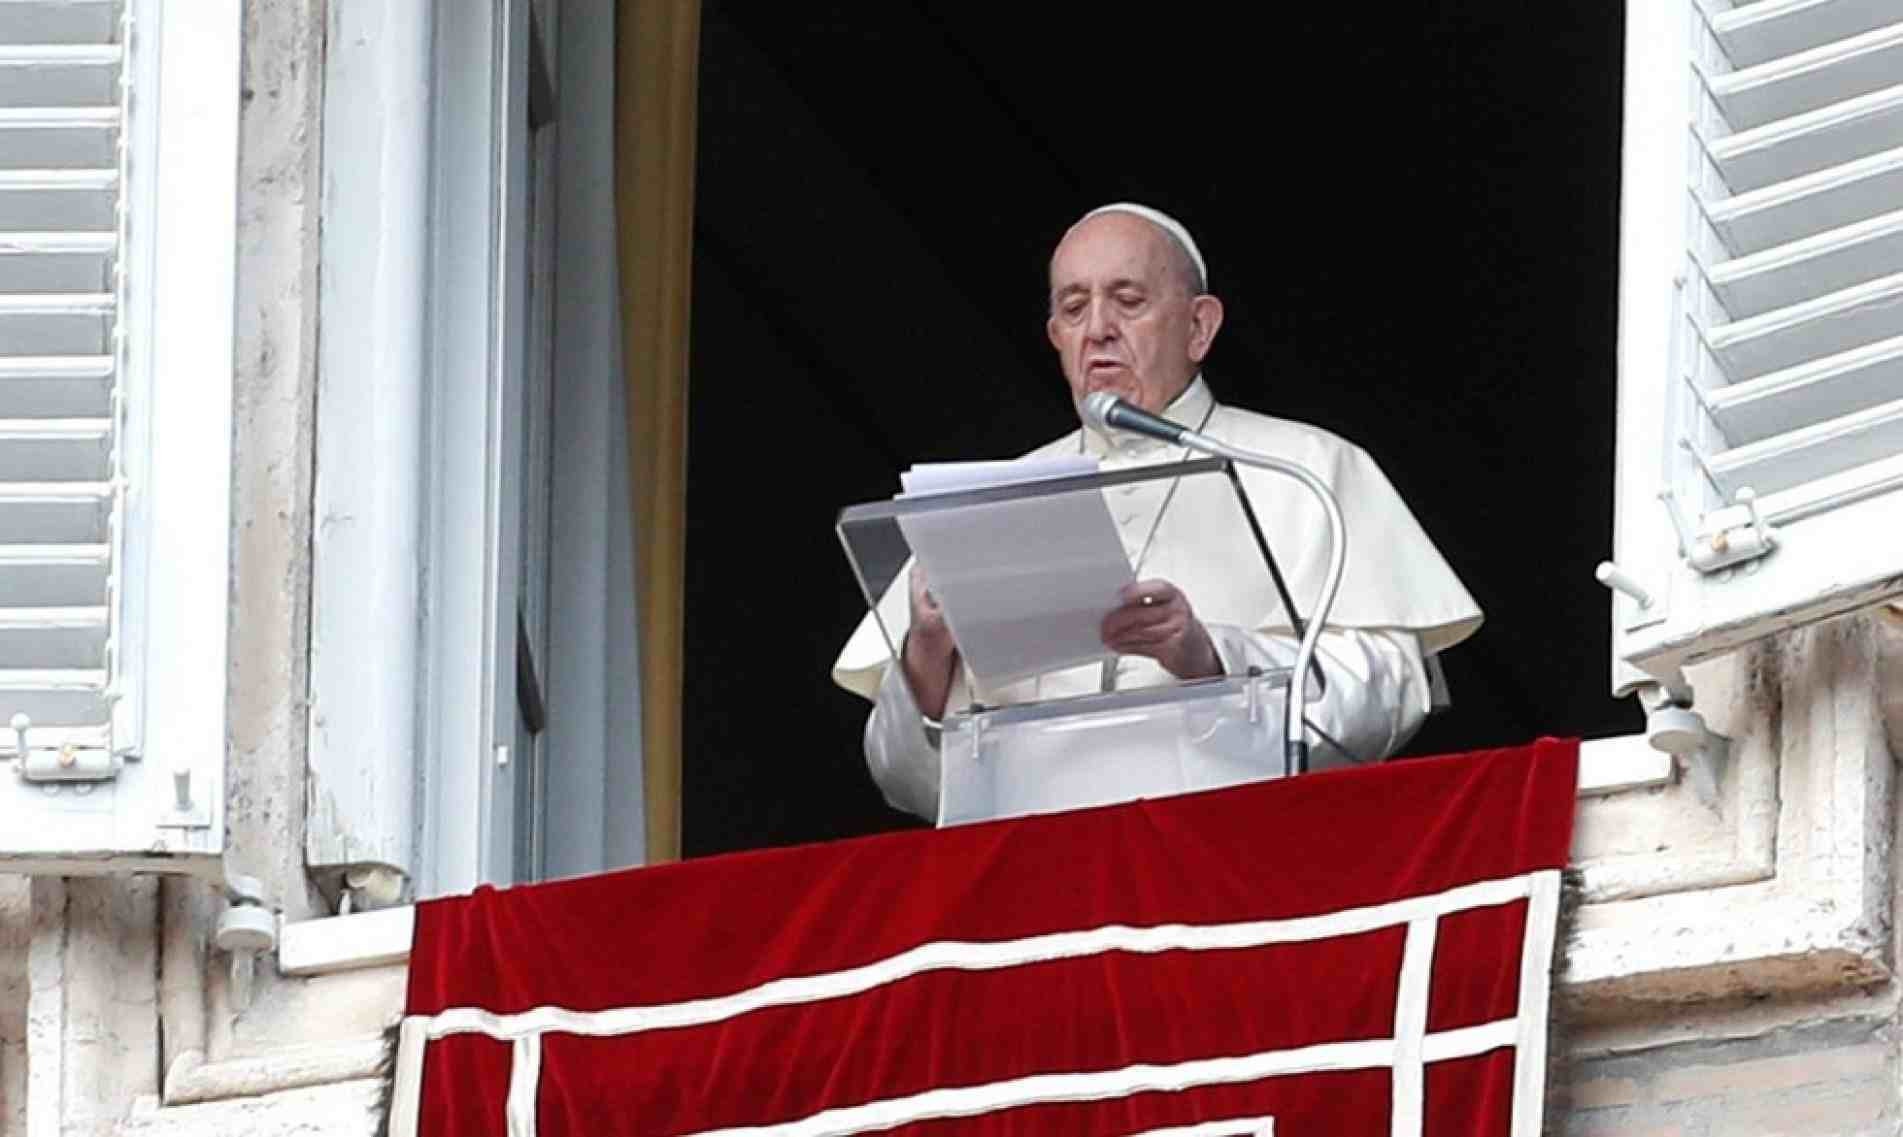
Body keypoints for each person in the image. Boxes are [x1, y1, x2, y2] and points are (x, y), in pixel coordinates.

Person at [833, 203, 1483, 822]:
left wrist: (1211, 659)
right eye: (1073, 307)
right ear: (1055, 336)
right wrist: (925, 652)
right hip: (1036, 878)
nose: (1098, 330)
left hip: (1235, 862)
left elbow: (1389, 696)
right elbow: (904, 780)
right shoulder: (986, 499)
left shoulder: (1306, 467)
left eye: (1128, 300)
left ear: (1199, 326)